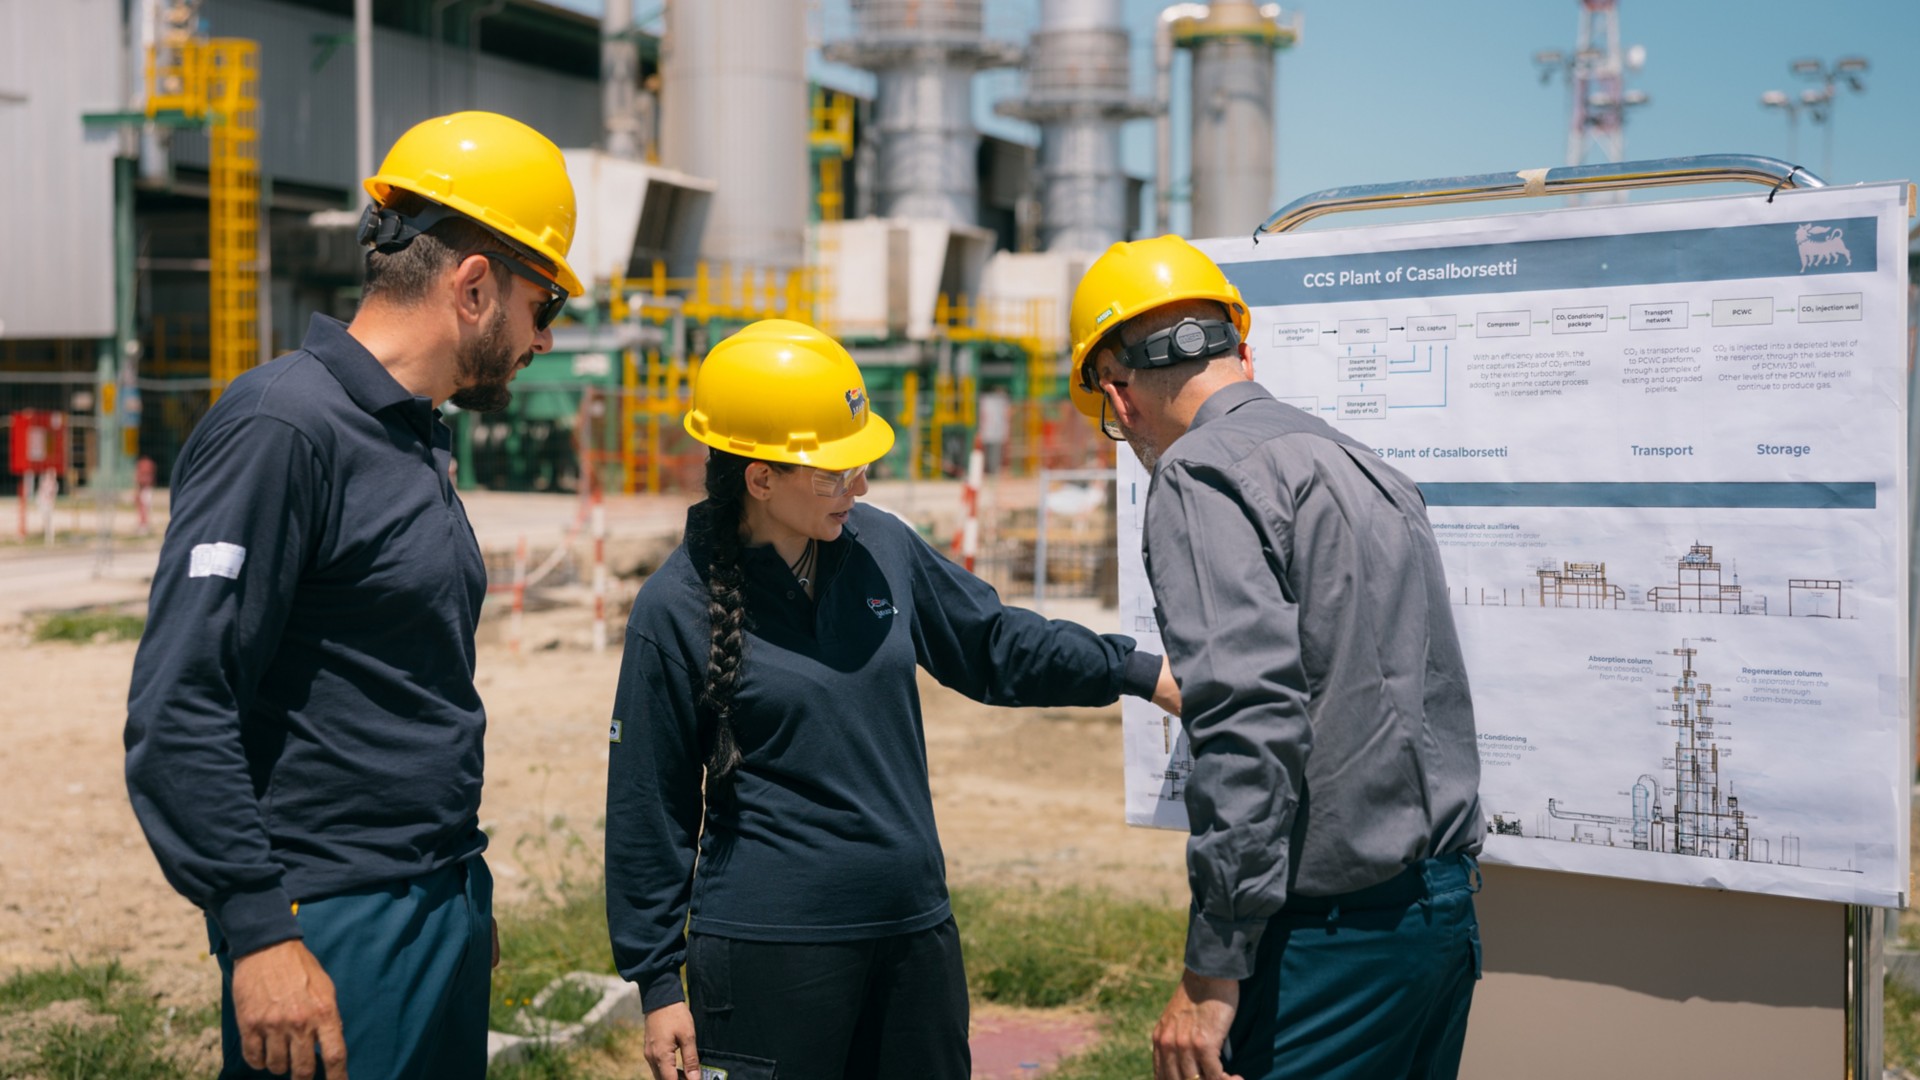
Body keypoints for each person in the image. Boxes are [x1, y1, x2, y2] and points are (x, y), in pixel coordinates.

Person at [124, 110, 582, 1080]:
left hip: (431, 900)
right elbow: (180, 706)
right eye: (545, 306)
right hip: (330, 921)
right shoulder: (283, 429)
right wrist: (257, 932)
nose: (544, 339)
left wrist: (460, 899)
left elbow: (398, 691)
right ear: (472, 286)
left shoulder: (408, 436)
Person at [605, 319, 1181, 1080]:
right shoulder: (672, 608)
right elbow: (650, 804)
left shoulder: (882, 548)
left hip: (914, 939)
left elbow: (995, 645)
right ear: (760, 477)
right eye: (836, 472)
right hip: (771, 958)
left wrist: (1142, 673)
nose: (862, 487)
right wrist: (656, 981)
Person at [1068, 236, 1486, 1080]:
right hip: (1441, 918)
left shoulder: (1201, 474)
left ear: (1118, 391)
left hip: (1331, 947)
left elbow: (1249, 717)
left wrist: (1211, 968)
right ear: (1240, 346)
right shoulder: (1365, 465)